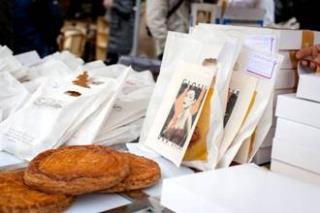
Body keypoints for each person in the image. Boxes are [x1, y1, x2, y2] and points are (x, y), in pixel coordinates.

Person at [104, 0, 135, 65]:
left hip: (121, 36)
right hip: (115, 35)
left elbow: (127, 10)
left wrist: (113, 4)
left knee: (116, 63)